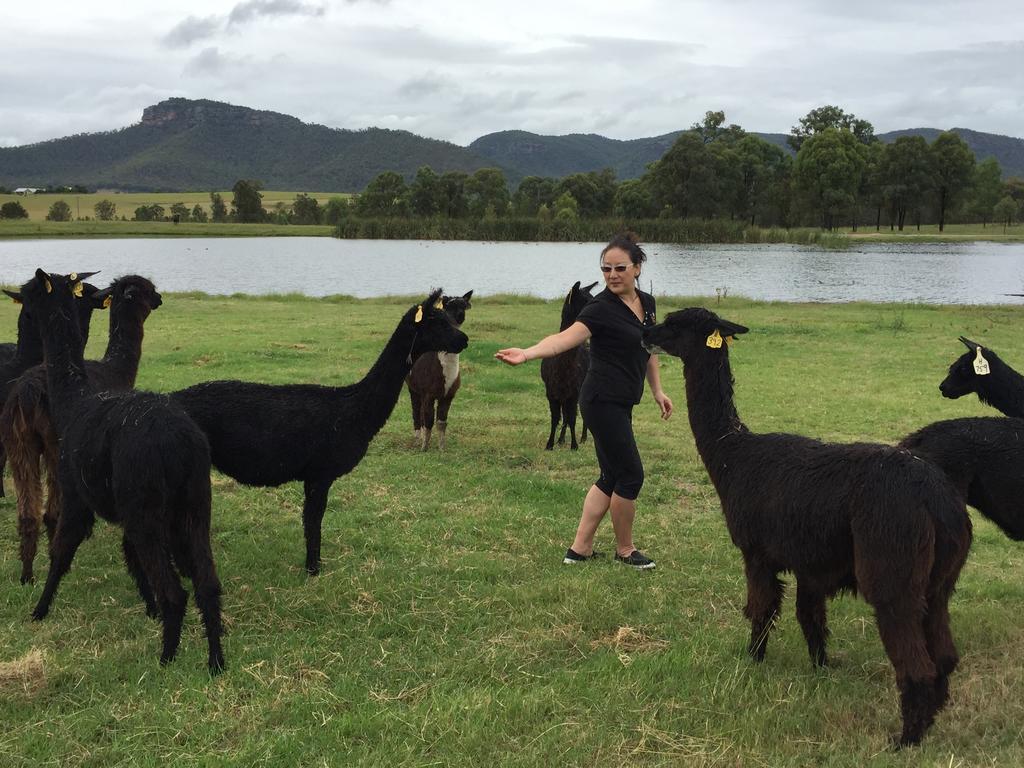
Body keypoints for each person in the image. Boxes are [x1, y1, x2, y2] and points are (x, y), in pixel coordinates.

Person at [495, 233, 672, 569]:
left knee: (610, 475)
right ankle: (625, 549)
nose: (612, 275)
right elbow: (565, 339)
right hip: (601, 400)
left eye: (620, 268)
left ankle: (579, 549)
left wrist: (657, 391)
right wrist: (529, 353)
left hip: (622, 400)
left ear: (637, 268)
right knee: (630, 475)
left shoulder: (647, 303)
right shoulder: (600, 308)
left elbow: (649, 349)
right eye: (606, 269)